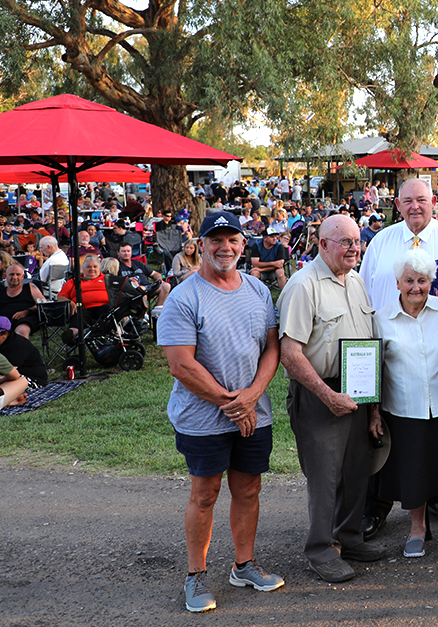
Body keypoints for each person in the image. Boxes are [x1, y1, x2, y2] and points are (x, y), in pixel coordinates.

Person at [157, 210, 284, 613]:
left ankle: (243, 565)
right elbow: (181, 365)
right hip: (203, 419)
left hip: (253, 412)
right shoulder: (184, 297)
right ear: (200, 244)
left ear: (243, 245)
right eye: (216, 240)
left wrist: (253, 395)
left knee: (248, 489)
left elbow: (271, 348)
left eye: (232, 240)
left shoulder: (258, 290)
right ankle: (195, 576)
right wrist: (234, 403)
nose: (224, 247)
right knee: (205, 493)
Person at [357, 178, 438, 545]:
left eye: (421, 200)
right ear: (396, 203)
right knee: (396, 445)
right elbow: (364, 294)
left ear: (434, 201)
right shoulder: (381, 242)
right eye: (407, 201)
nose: (415, 207)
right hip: (393, 357)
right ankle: (377, 508)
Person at [277, 214, 386, 583]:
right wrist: (326, 395)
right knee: (325, 478)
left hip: (357, 392)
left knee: (356, 471)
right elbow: (290, 354)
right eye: (344, 242)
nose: (354, 247)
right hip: (319, 393)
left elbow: (367, 346)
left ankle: (349, 537)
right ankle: (321, 550)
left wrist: (373, 410)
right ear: (322, 244)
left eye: (357, 241)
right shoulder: (303, 285)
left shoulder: (356, 281)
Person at [367, 248, 438, 559]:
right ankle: (417, 528)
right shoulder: (381, 319)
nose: (416, 287)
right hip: (402, 407)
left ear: (432, 282)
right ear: (398, 282)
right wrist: (373, 412)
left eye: (423, 280)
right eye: (409, 280)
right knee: (413, 470)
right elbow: (374, 369)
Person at [0, 264, 45, 340]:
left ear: (22, 276)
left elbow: (43, 303)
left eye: (18, 274)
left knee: (22, 330)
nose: (15, 277)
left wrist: (26, 312)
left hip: (26, 318)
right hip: (3, 320)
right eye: (11, 274)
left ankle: (22, 351)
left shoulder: (30, 287)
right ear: (5, 276)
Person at [0, 314, 47, 388]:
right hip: (10, 375)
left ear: (5, 334)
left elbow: (10, 373)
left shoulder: (18, 345)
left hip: (30, 378)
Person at [115, 243, 170, 310]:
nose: (126, 253)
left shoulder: (138, 263)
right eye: (123, 251)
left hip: (148, 287)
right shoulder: (116, 266)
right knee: (142, 289)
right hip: (131, 291)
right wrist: (128, 280)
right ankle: (143, 314)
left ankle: (157, 311)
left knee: (166, 286)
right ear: (118, 253)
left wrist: (158, 279)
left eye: (128, 251)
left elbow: (155, 273)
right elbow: (115, 280)